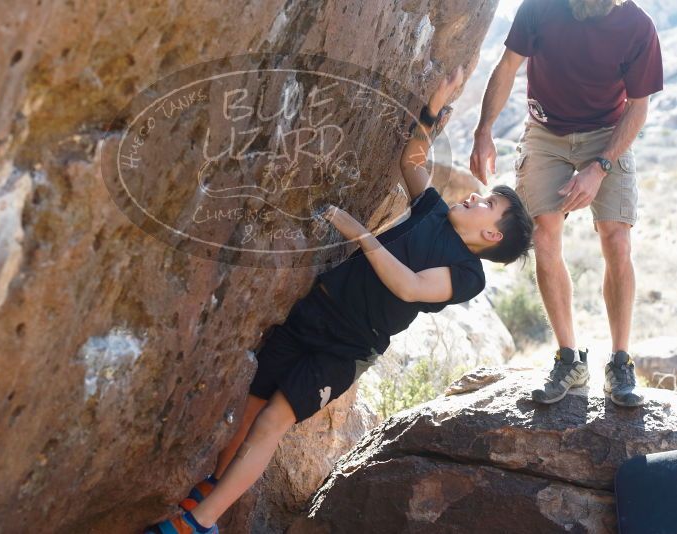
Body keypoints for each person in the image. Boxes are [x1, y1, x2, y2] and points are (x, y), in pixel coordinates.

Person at [145, 66, 534, 533]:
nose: (474, 196)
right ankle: (214, 491)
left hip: (348, 346)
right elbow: (412, 163)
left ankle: (198, 524)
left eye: (487, 203)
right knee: (250, 408)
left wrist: (361, 235)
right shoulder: (432, 209)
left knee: (274, 419)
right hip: (316, 311)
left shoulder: (468, 275)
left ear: (492, 234)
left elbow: (410, 286)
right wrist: (431, 110)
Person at [469, 0, 663, 407]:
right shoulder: (539, 8)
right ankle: (569, 358)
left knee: (617, 239)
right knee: (544, 234)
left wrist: (600, 167)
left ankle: (620, 361)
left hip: (608, 134)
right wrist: (484, 130)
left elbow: (638, 107)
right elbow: (507, 66)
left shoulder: (636, 26)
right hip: (545, 133)